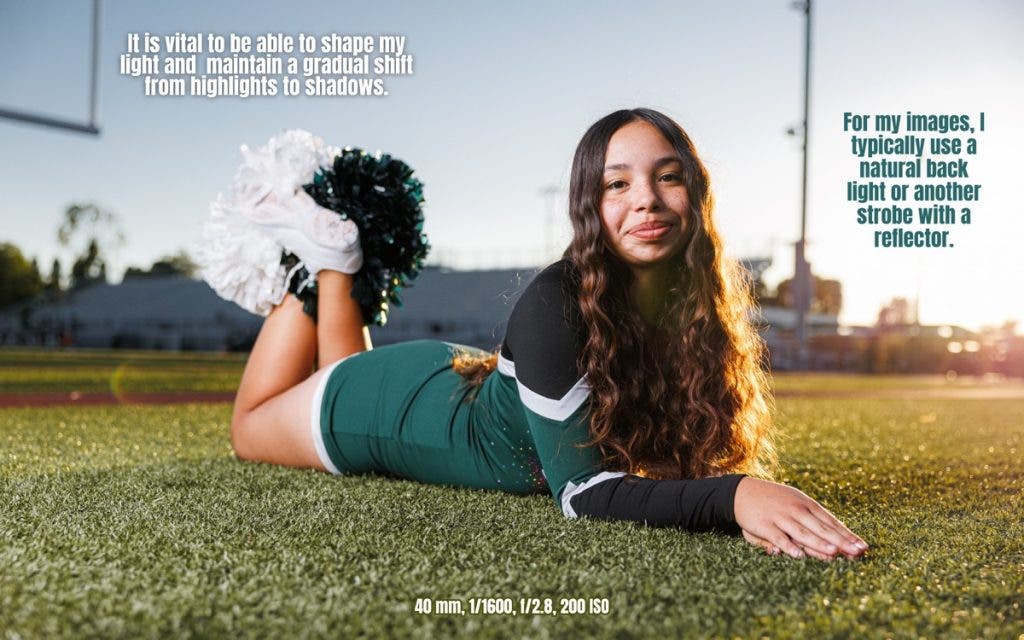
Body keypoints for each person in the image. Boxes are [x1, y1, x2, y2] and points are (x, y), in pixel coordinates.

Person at [211, 110, 869, 563]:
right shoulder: (556, 301)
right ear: (588, 204)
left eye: (667, 176)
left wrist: (725, 493)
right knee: (250, 429)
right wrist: (733, 495)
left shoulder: (695, 305)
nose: (645, 199)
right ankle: (328, 260)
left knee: (340, 366)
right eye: (617, 183)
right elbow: (584, 496)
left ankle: (340, 259)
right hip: (400, 414)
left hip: (444, 383)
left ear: (696, 195)